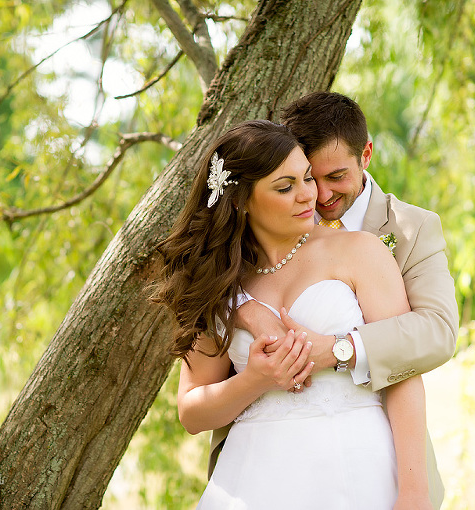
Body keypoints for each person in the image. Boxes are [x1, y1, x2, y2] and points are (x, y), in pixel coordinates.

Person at [153, 120, 431, 508]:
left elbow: (403, 374)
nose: (308, 196)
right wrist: (253, 380)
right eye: (285, 187)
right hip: (251, 482)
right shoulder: (219, 285)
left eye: (306, 179)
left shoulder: (360, 252)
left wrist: (414, 495)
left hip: (356, 470)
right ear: (240, 200)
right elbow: (191, 413)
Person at [209, 92, 459, 507]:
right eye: (308, 176)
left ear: (367, 154)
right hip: (255, 466)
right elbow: (225, 274)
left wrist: (340, 350)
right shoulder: (267, 225)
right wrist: (244, 309)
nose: (320, 196)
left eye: (336, 176)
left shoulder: (411, 228)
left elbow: (437, 332)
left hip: (373, 455)